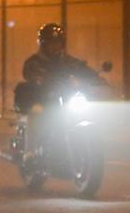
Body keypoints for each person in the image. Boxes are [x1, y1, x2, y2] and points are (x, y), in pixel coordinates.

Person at [13, 24, 101, 162]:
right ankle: (30, 153)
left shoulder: (66, 60)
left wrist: (97, 77)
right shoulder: (35, 61)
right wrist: (37, 76)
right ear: (43, 44)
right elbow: (29, 71)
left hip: (63, 99)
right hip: (42, 98)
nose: (55, 46)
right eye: (51, 43)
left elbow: (80, 67)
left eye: (57, 42)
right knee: (36, 112)